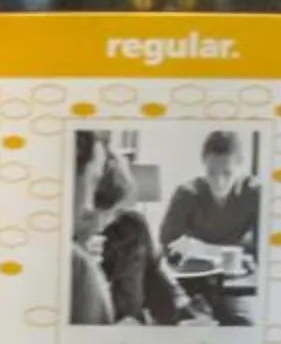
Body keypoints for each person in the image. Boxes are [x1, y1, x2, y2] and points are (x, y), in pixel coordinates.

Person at [71, 133, 181, 326]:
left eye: (117, 211)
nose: (112, 220)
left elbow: (157, 281)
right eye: (111, 212)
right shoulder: (73, 258)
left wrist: (183, 312)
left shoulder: (131, 226)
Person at [160, 130, 260, 325]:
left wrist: (205, 248)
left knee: (242, 323)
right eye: (212, 173)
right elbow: (168, 241)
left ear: (240, 165)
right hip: (191, 281)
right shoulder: (187, 193)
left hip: (233, 282)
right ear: (204, 163)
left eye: (227, 173)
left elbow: (266, 245)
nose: (219, 182)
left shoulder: (254, 193)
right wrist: (225, 251)